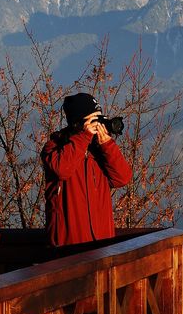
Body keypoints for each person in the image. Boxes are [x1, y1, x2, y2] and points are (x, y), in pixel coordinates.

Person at [41, 93, 132, 247]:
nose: (98, 125)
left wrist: (108, 145)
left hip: (103, 244)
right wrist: (84, 137)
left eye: (100, 119)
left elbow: (123, 178)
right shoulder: (54, 147)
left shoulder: (100, 151)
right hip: (68, 247)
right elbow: (62, 170)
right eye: (93, 121)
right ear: (78, 123)